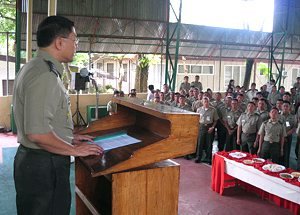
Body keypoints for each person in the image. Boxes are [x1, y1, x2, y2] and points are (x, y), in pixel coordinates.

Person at [12, 16, 103, 215]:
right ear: (60, 42)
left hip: (34, 162)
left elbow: (46, 121)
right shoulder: (45, 75)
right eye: (75, 40)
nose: (76, 45)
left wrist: (70, 137)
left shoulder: (32, 67)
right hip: (44, 165)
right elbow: (38, 134)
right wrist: (74, 150)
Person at [195, 97, 219, 164]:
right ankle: (198, 157)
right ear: (202, 102)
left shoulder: (213, 110)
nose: (206, 103)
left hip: (209, 127)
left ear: (209, 102)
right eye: (204, 101)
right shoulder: (199, 110)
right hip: (202, 127)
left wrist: (213, 127)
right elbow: (197, 119)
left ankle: (208, 158)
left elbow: (216, 120)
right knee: (200, 143)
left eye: (207, 101)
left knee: (209, 143)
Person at [280, 101, 296, 167]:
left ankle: (286, 167)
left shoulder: (293, 117)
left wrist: (285, 135)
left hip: (288, 137)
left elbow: (294, 128)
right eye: (284, 106)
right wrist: (282, 136)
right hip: (279, 137)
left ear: (289, 108)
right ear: (281, 107)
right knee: (278, 152)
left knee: (286, 153)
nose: (285, 107)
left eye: (287, 106)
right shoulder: (278, 115)